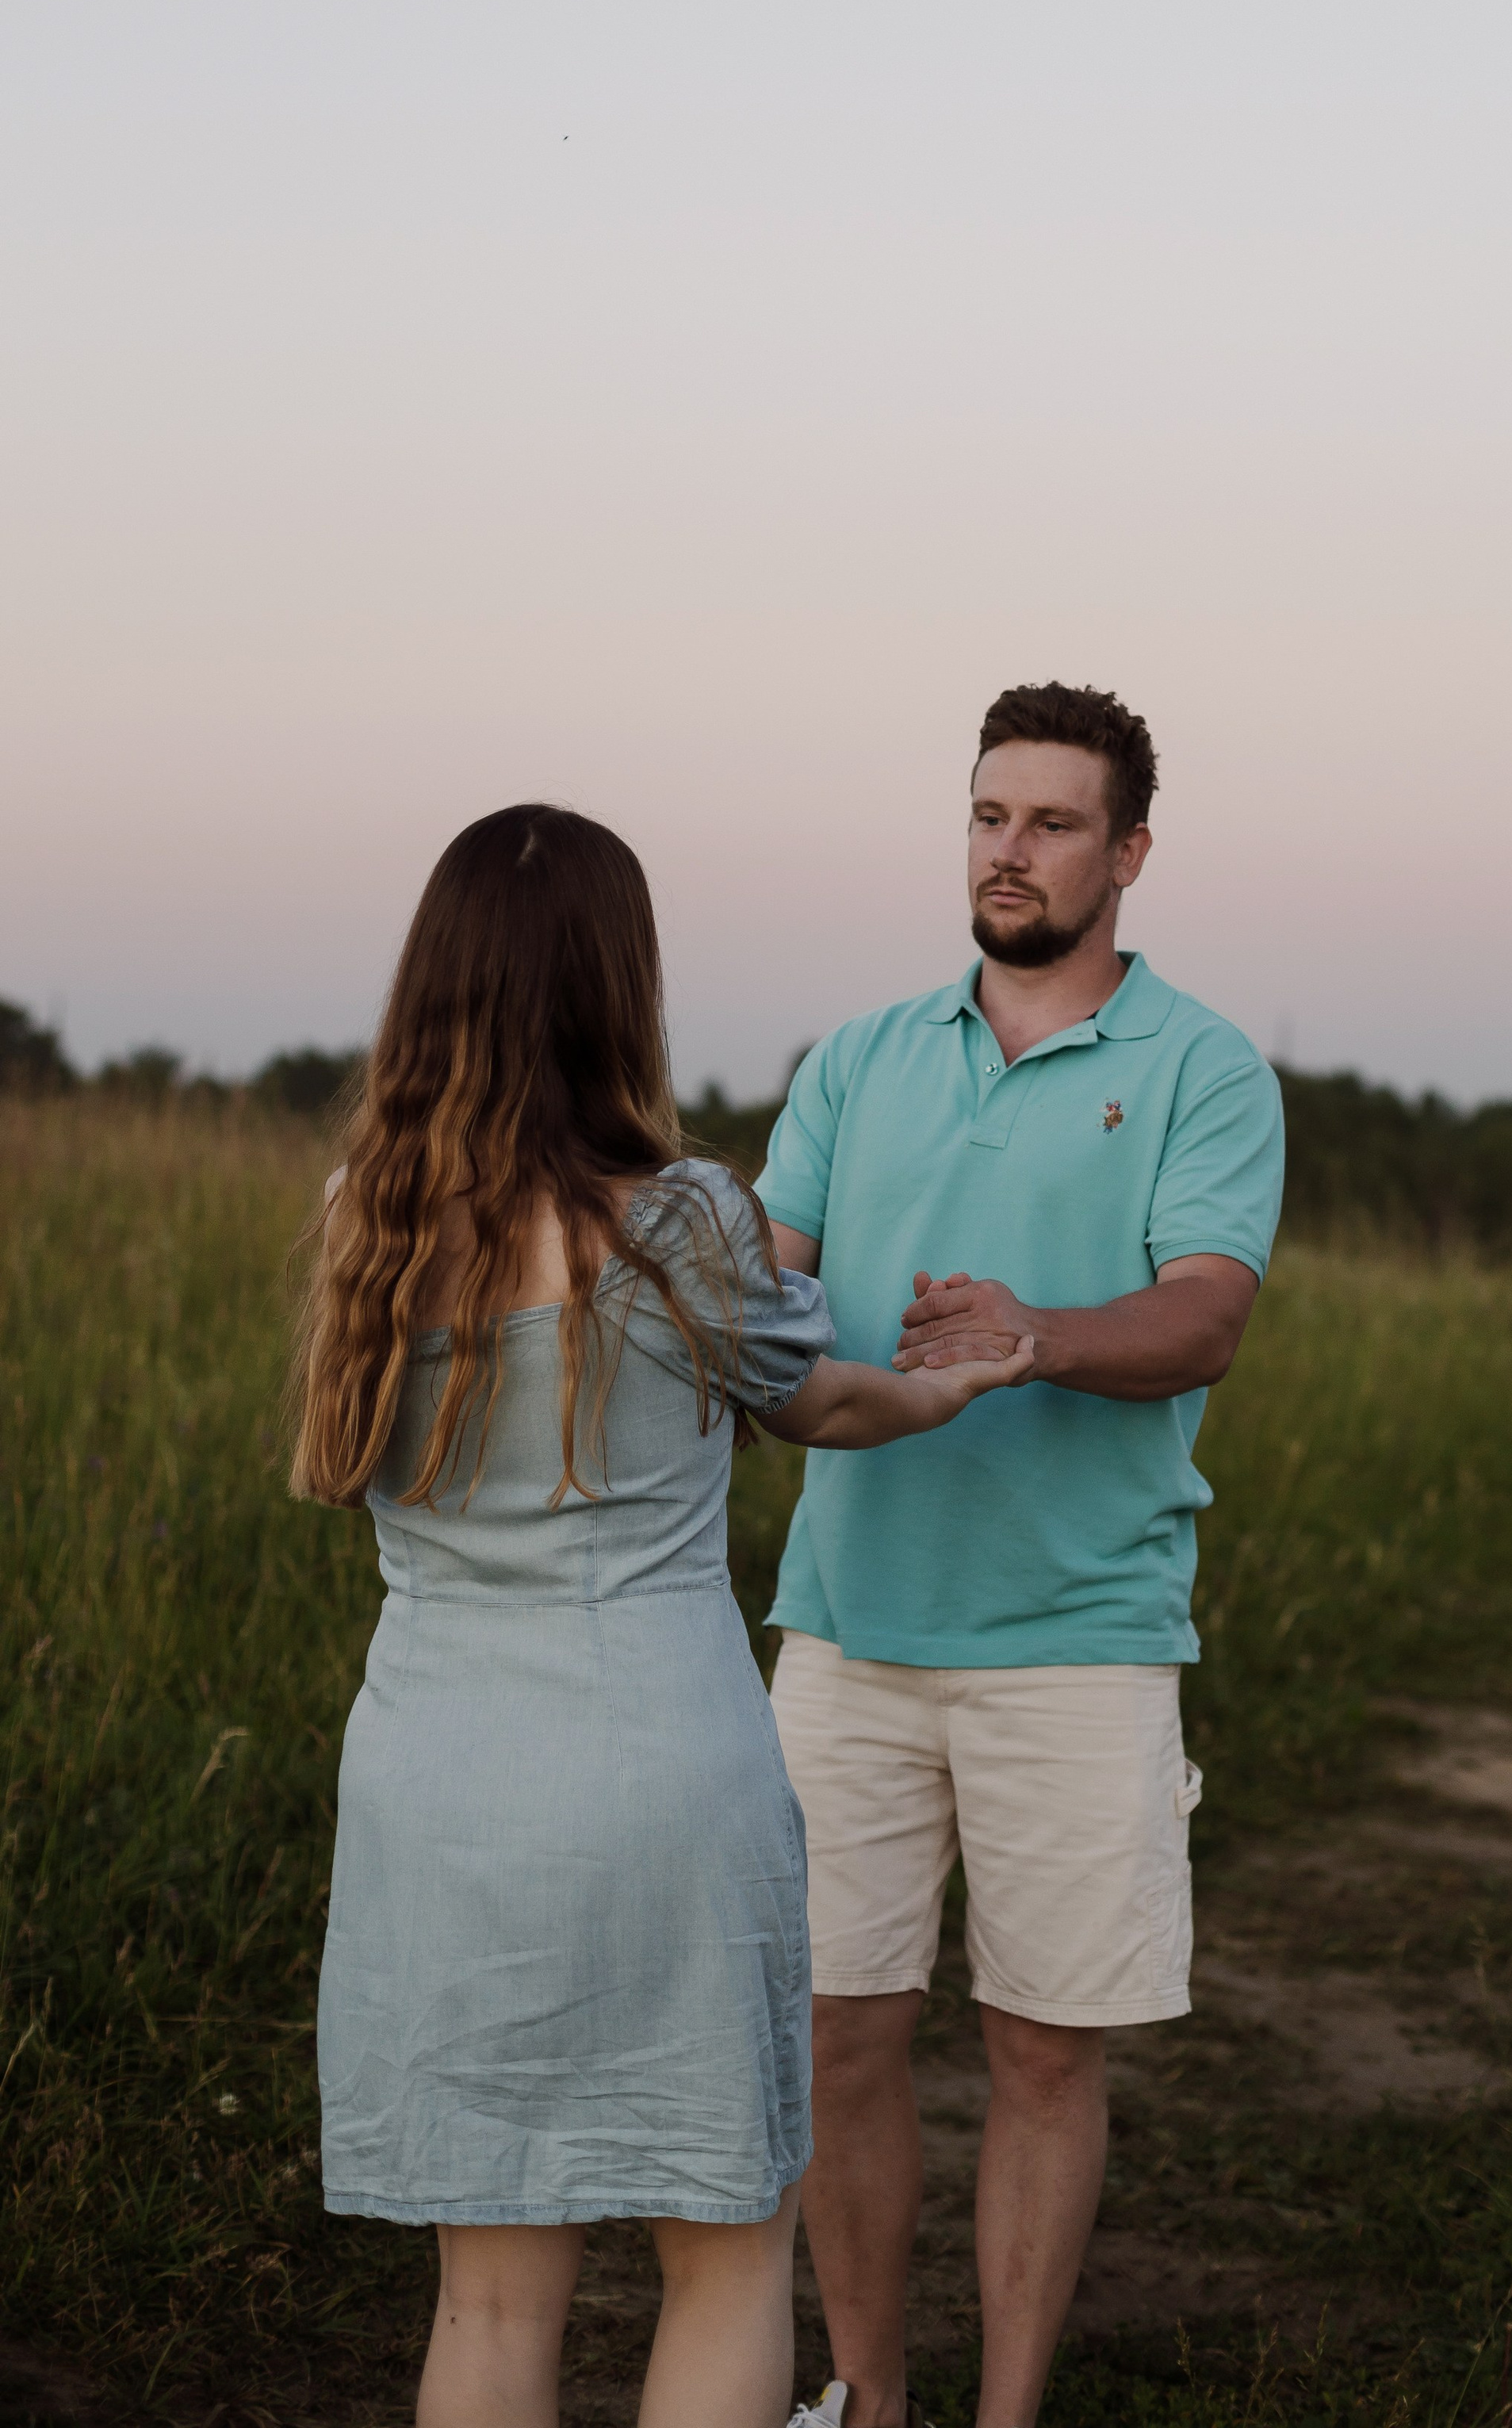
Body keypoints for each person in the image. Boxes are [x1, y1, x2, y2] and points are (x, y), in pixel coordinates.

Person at [294, 806, 1032, 2428]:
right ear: (618, 986)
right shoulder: (684, 1216)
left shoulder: (374, 1209)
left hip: (437, 1795)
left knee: (489, 2295)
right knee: (720, 2252)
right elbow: (815, 1402)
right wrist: (943, 1389)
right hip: (664, 1790)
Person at [760, 684, 1284, 2428]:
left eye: (1053, 822)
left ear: (1127, 853)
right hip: (845, 1628)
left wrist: (1028, 1338)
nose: (1010, 850)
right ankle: (863, 2400)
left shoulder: (1203, 1068)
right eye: (989, 814)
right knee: (838, 2038)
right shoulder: (857, 1056)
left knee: (1043, 2049)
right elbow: (763, 1299)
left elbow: (1201, 1320)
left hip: (1075, 1634)